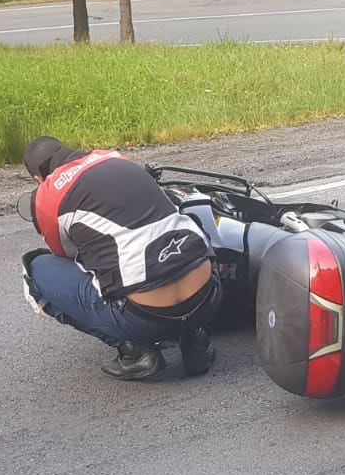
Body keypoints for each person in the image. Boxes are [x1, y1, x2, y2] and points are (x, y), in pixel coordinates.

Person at [18, 136, 220, 380]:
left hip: (146, 318)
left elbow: (66, 256)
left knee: (37, 269)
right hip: (208, 298)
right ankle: (195, 336)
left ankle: (135, 351)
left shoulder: (48, 193)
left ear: (38, 178)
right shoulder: (114, 157)